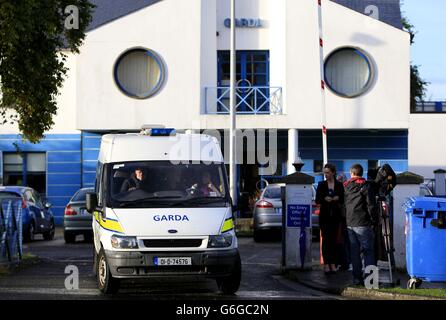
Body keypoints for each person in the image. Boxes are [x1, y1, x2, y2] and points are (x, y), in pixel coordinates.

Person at [343, 164, 378, 286]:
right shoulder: (366, 185)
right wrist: (375, 220)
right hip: (363, 222)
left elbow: (344, 205)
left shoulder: (346, 186)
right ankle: (370, 281)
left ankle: (357, 279)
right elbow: (371, 205)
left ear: (351, 173)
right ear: (362, 173)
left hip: (350, 223)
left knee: (354, 252)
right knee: (368, 251)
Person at [316, 164, 345, 275]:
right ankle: (326, 263)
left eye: (328, 172)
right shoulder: (321, 184)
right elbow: (317, 199)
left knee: (334, 240)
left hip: (336, 216)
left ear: (333, 172)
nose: (326, 174)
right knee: (326, 239)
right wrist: (324, 198)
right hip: (324, 216)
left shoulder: (339, 185)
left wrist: (337, 198)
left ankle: (333, 263)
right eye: (325, 172)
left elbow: (343, 198)